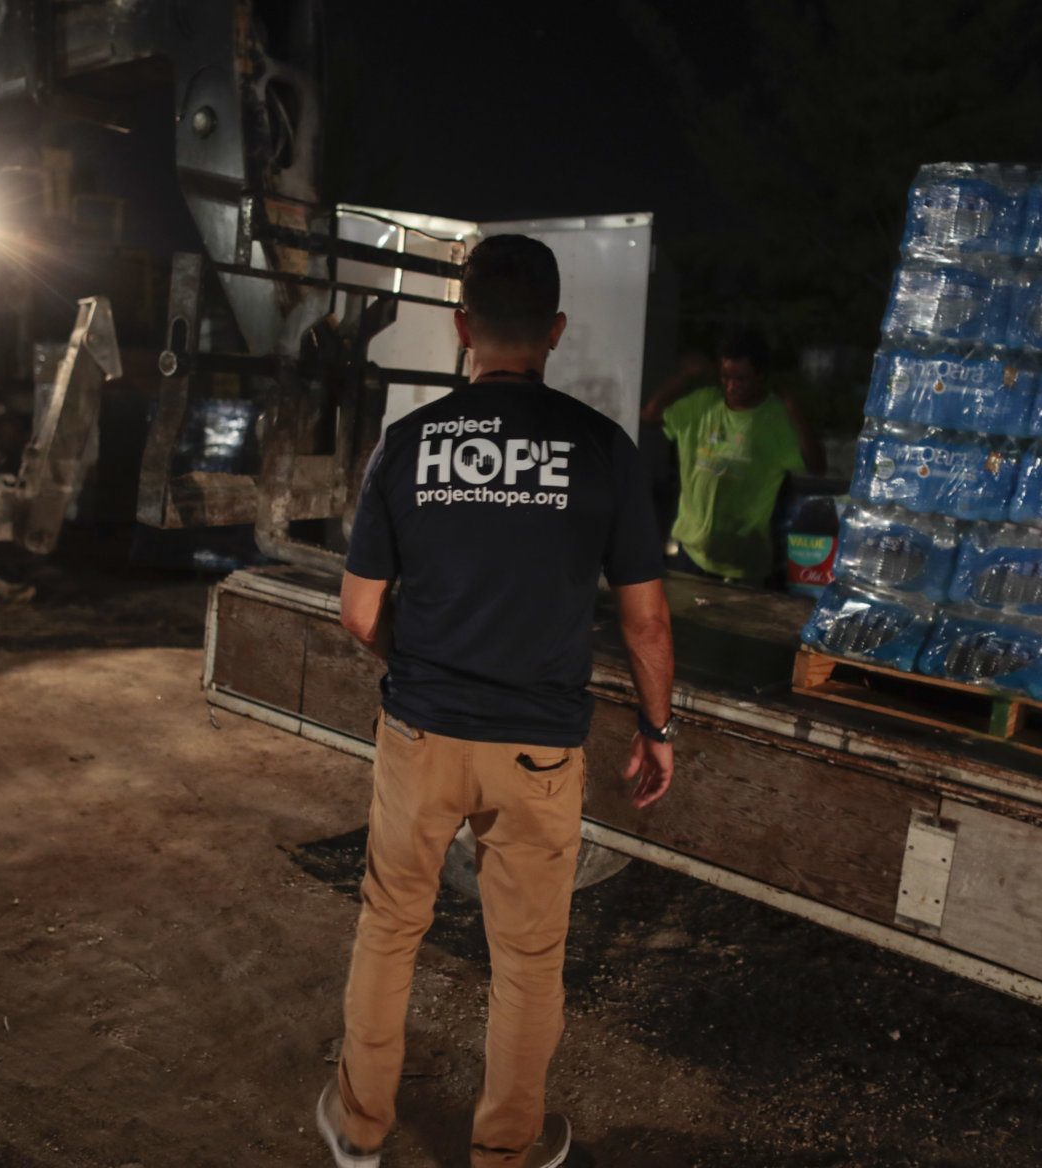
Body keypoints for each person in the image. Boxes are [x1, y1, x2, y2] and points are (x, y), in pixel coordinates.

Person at [318, 234, 678, 1168]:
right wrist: (657, 728)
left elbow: (359, 616)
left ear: (461, 326)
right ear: (555, 331)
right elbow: (645, 626)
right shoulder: (603, 450)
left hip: (423, 732)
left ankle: (359, 1132)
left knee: (391, 927)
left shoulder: (405, 446)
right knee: (525, 962)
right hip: (542, 750)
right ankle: (506, 1151)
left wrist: (424, 658)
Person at [641, 331, 822, 584]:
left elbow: (816, 466)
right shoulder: (703, 404)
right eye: (725, 377)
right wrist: (684, 377)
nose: (731, 386)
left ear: (761, 376)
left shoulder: (774, 420)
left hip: (743, 565)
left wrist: (794, 408)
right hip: (690, 554)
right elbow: (650, 415)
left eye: (741, 379)